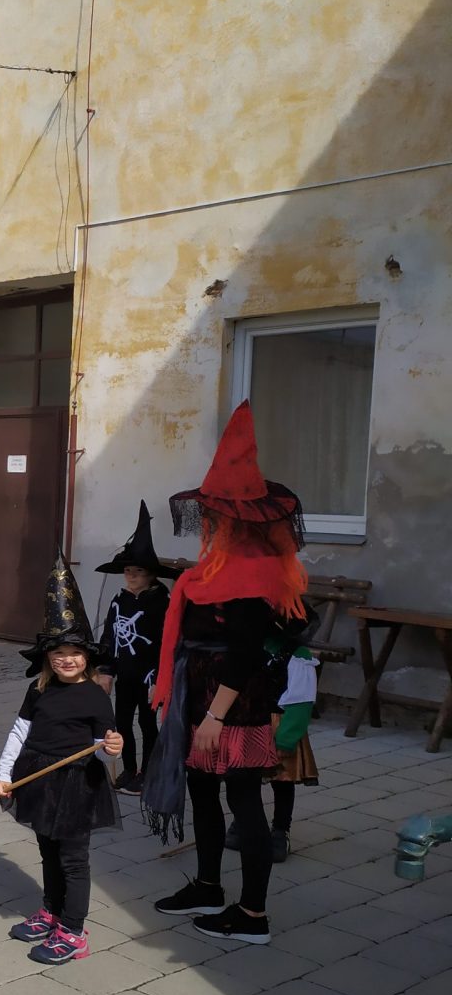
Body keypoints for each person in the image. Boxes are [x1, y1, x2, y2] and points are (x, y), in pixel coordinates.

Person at [144, 401, 309, 945]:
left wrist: (215, 717)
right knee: (202, 790)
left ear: (236, 521)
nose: (209, 524)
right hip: (202, 696)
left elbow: (243, 654)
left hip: (231, 705)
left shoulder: (252, 575)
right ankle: (209, 886)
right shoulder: (215, 570)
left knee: (242, 799)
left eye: (215, 515)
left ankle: (253, 915)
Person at [0, 555, 123, 966]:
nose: (67, 659)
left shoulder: (95, 696)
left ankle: (74, 931)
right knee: (47, 850)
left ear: (87, 657)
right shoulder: (39, 689)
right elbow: (19, 733)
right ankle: (52, 910)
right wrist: (3, 775)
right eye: (59, 653)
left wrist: (112, 747)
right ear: (47, 656)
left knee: (73, 859)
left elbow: (104, 745)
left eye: (75, 653)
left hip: (77, 785)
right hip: (39, 778)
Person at [94, 501, 172, 794]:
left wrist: (161, 680)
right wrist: (105, 671)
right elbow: (110, 637)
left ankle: (147, 772)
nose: (131, 576)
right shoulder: (119, 600)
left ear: (151, 574)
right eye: (127, 570)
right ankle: (129, 768)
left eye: (138, 571)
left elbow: (168, 643)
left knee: (148, 724)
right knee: (122, 722)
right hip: (125, 674)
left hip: (150, 676)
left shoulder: (163, 603)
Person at [225, 622, 319, 863]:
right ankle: (244, 821)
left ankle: (280, 831)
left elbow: (301, 701)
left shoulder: (298, 656)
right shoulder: (249, 647)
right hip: (248, 722)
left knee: (282, 781)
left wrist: (286, 739)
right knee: (245, 777)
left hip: (280, 723)